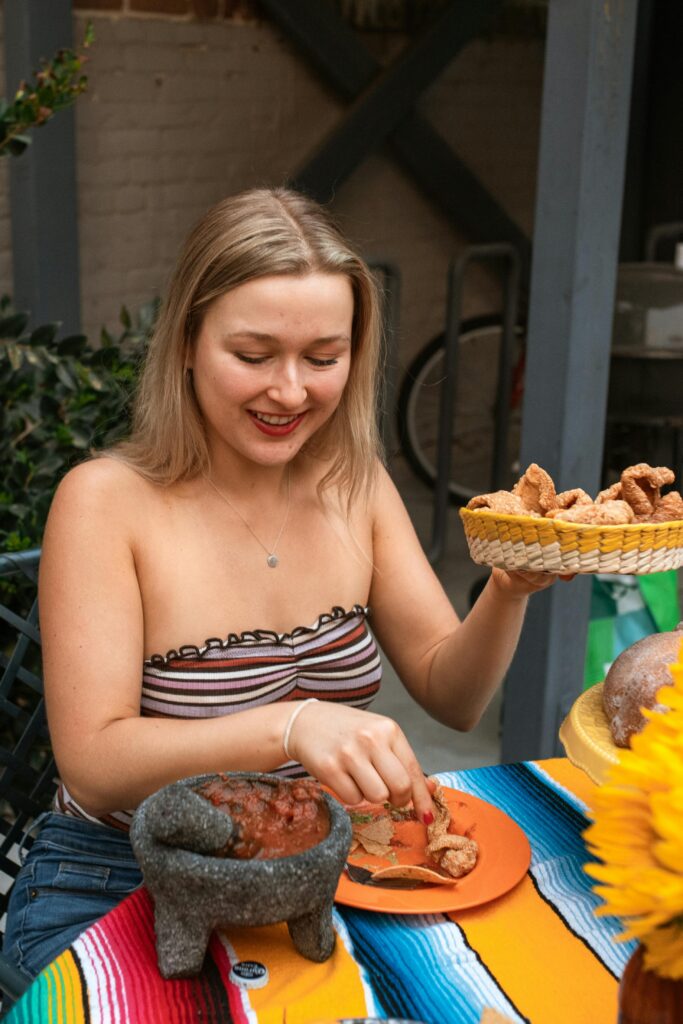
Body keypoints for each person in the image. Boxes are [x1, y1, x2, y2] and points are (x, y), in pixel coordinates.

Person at [3, 187, 564, 980]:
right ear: (188, 343)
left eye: (323, 358)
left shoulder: (355, 484)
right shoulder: (104, 501)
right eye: (254, 356)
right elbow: (93, 761)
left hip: (303, 873)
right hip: (120, 871)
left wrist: (507, 589)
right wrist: (292, 725)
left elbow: (452, 694)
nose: (291, 392)